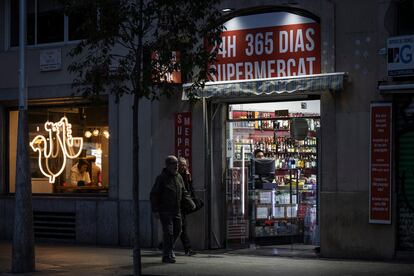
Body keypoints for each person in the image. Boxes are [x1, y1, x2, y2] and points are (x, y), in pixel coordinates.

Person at [150, 155, 195, 264]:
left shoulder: (178, 177)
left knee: (178, 230)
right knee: (168, 232)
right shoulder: (161, 178)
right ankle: (167, 255)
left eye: (177, 164)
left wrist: (191, 203)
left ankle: (168, 249)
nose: (177, 166)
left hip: (176, 210)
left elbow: (184, 192)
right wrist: (155, 210)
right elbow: (154, 194)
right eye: (174, 164)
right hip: (165, 210)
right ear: (168, 165)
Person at [178, 157, 197, 256]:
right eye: (181, 164)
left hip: (181, 206)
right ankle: (188, 248)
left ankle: (164, 245)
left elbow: (189, 191)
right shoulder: (176, 176)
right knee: (181, 227)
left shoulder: (186, 176)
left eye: (185, 165)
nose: (183, 167)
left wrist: (189, 180)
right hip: (175, 205)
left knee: (179, 227)